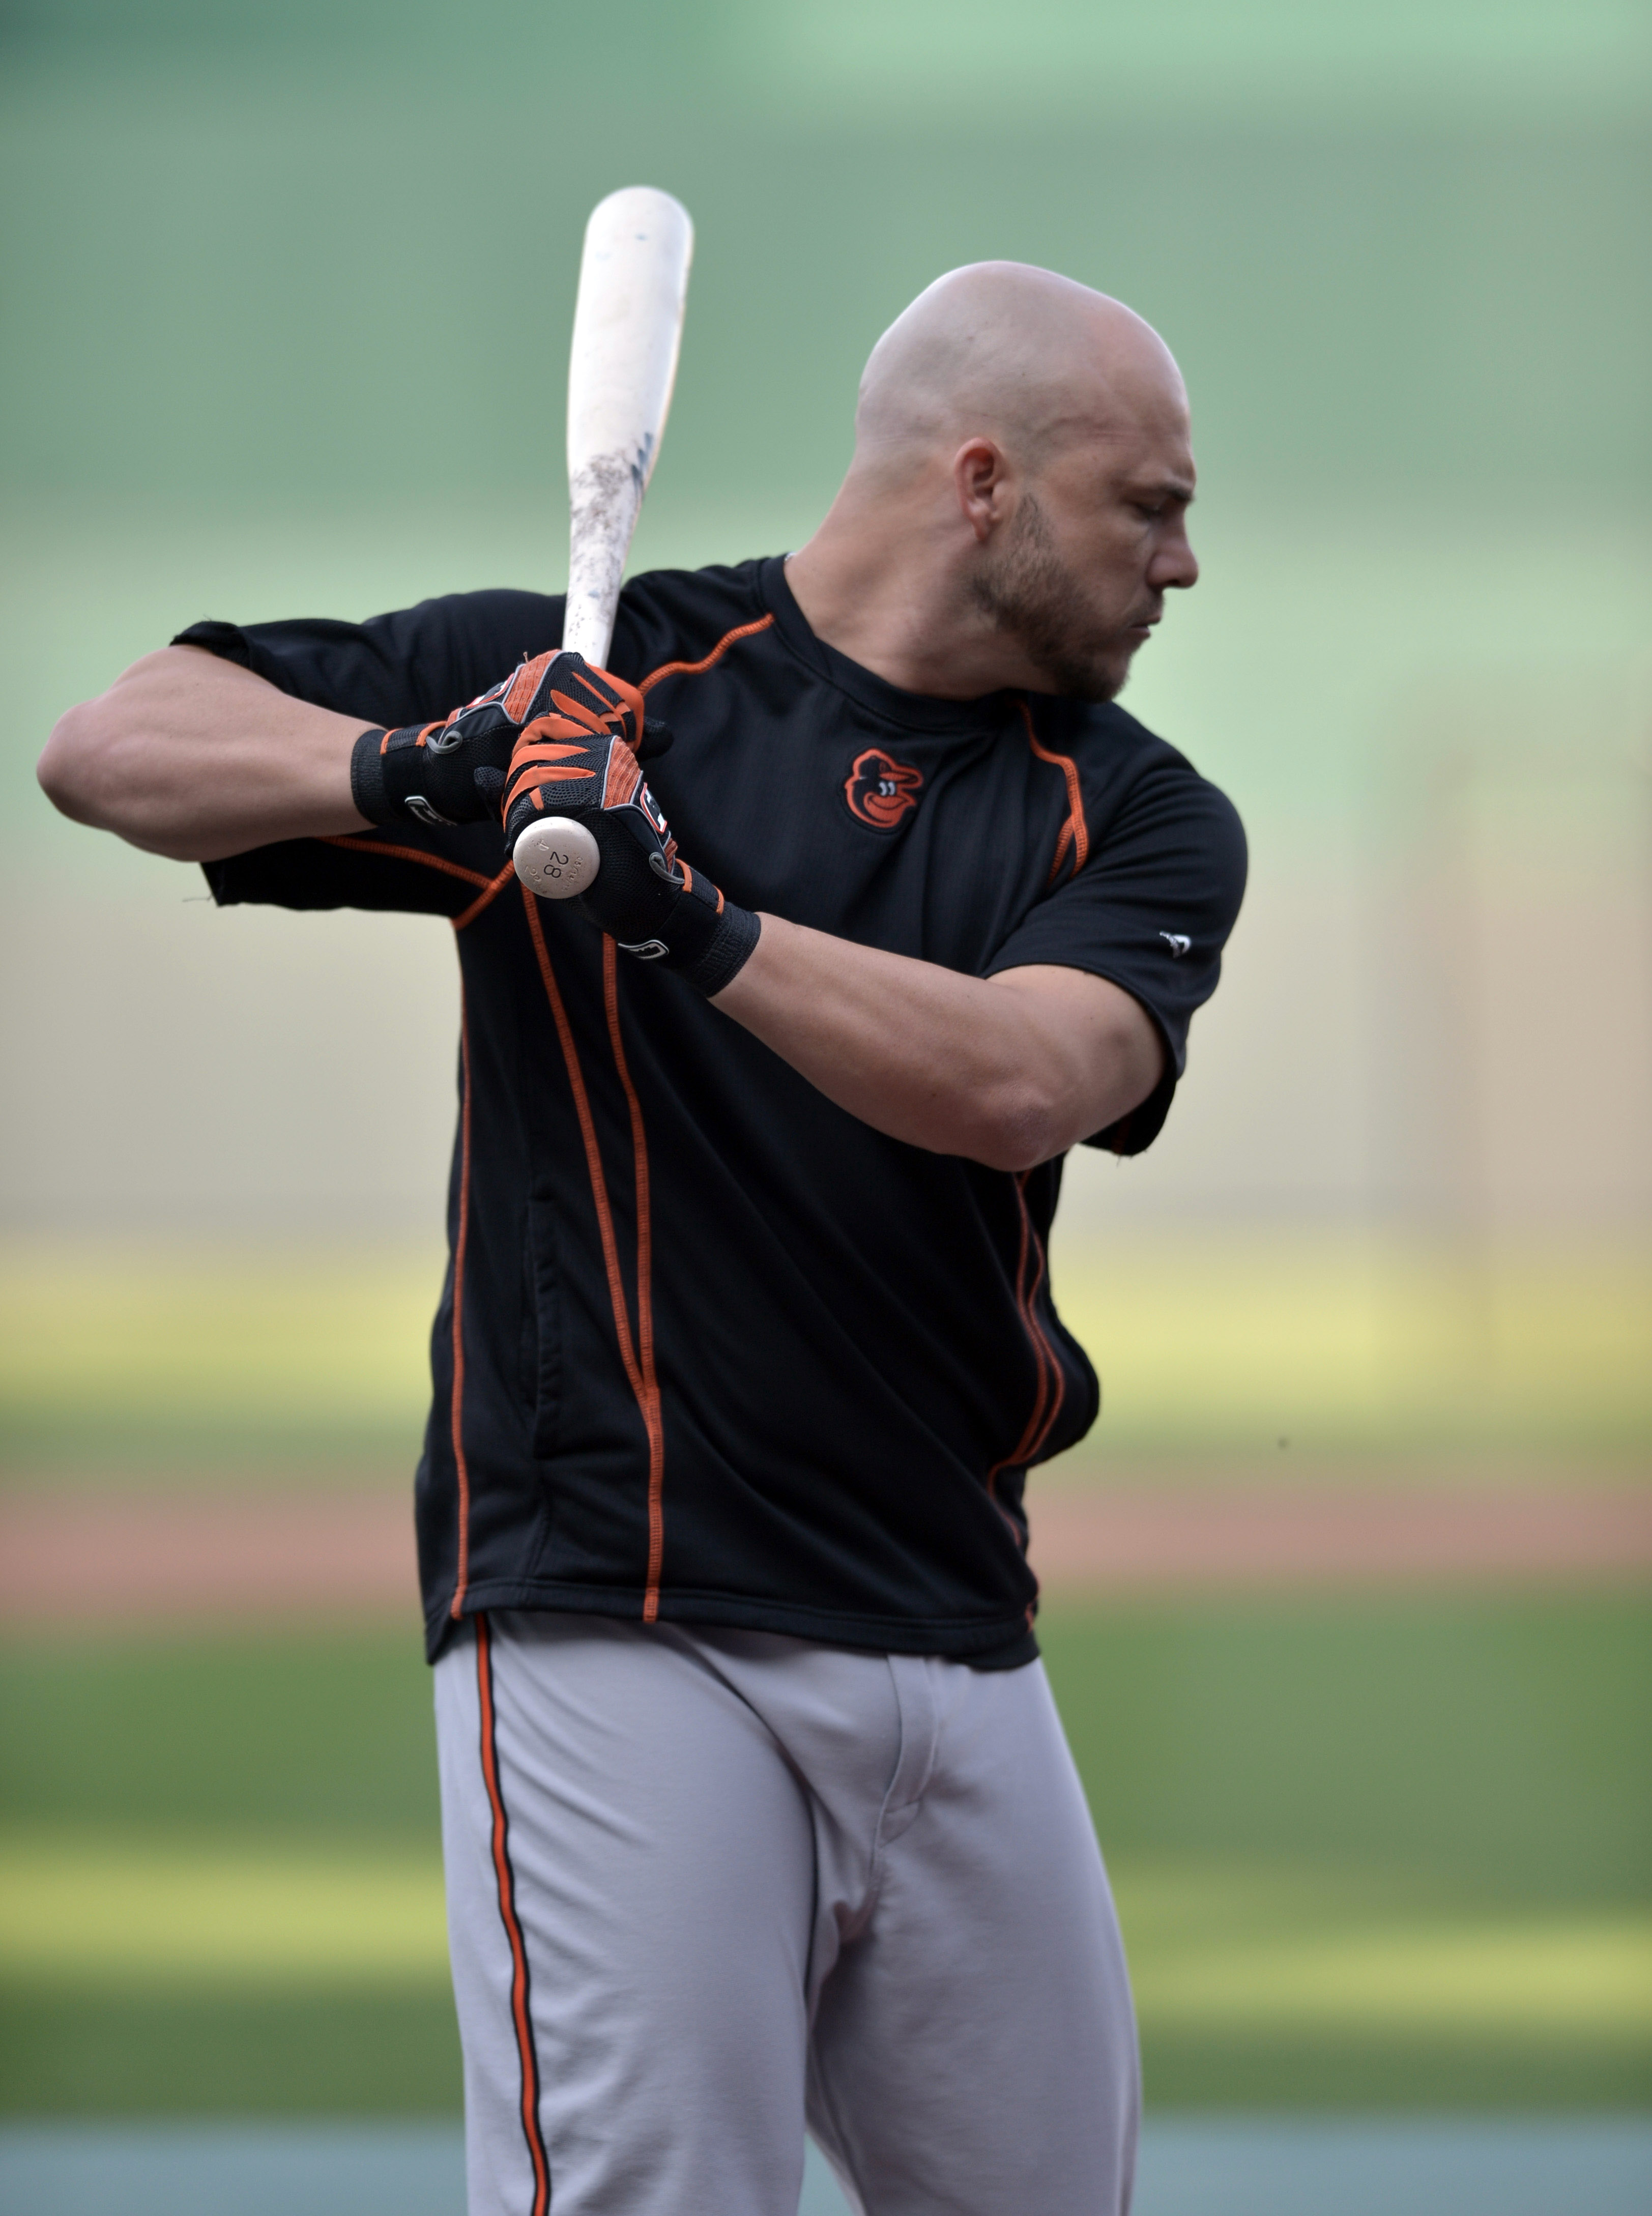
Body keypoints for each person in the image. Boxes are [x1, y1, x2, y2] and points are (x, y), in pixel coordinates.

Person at [39, 262, 1247, 2216]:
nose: (1182, 561)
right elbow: (109, 748)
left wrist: (683, 914)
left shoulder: (1138, 812)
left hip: (957, 1619)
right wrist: (416, 769)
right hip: (622, 1610)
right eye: (1150, 506)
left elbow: (1026, 1078)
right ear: (984, 485)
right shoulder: (587, 683)